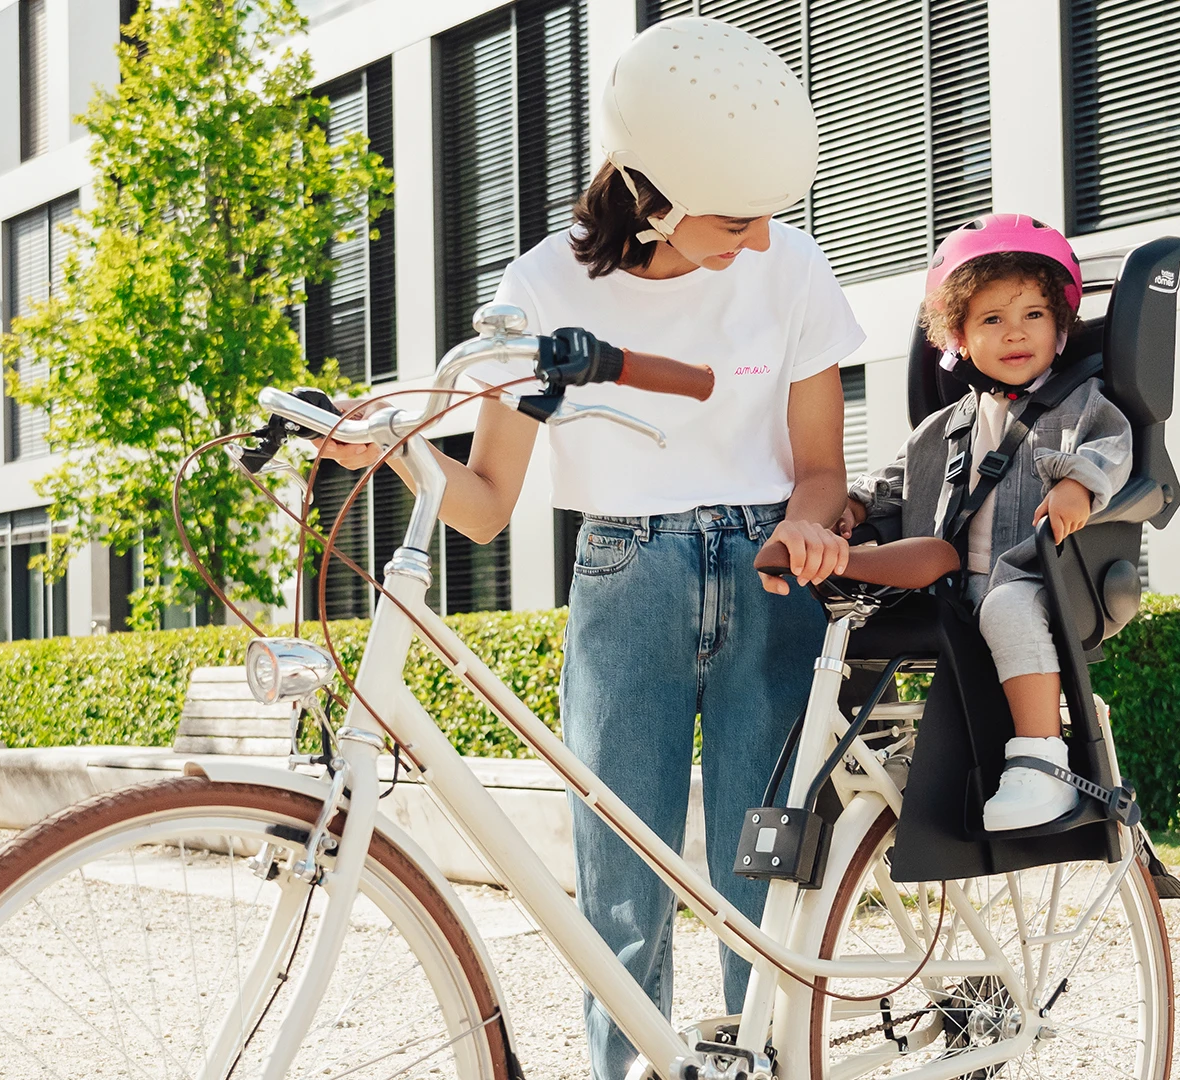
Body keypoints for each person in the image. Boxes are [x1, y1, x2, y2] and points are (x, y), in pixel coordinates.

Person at [314, 16, 861, 1078]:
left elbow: (823, 467)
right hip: (626, 581)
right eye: (733, 218)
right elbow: (483, 506)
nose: (754, 240)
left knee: (767, 884)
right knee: (619, 889)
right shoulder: (544, 288)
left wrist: (807, 516)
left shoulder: (790, 266)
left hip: (770, 574)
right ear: (652, 195)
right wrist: (384, 444)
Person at [836, 214, 1132, 835]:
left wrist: (1078, 483)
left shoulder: (1081, 404)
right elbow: (892, 480)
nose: (1014, 333)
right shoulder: (946, 424)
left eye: (1032, 316)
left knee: (1005, 608)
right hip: (946, 586)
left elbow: (1113, 447)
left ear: (1060, 331)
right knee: (851, 617)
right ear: (960, 340)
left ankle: (1042, 762)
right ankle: (857, 756)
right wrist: (855, 507)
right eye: (991, 320)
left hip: (1038, 578)